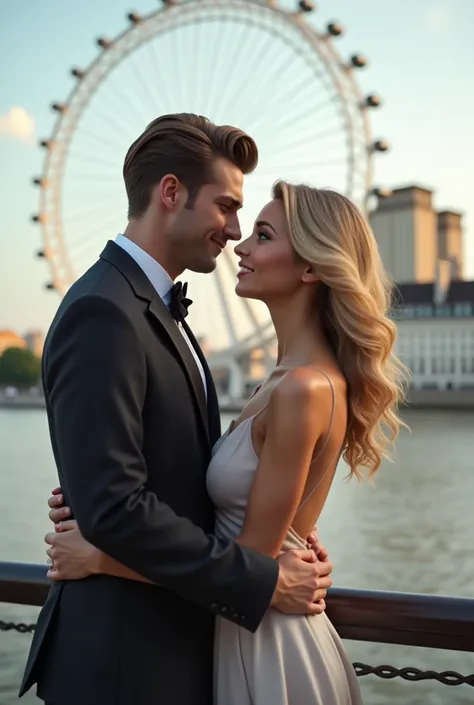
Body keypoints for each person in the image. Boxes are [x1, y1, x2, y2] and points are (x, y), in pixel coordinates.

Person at [44, 179, 408, 704]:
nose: (241, 244)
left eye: (262, 234)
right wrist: (92, 493)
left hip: (269, 649)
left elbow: (250, 567)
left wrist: (100, 558)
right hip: (238, 634)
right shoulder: (280, 381)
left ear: (310, 267)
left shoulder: (303, 388)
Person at [19, 114, 334, 705]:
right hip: (125, 663)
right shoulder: (105, 312)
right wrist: (264, 581)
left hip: (171, 648)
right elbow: (116, 508)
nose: (235, 229)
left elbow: (167, 477)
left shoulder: (154, 309)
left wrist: (289, 529)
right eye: (226, 206)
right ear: (170, 193)